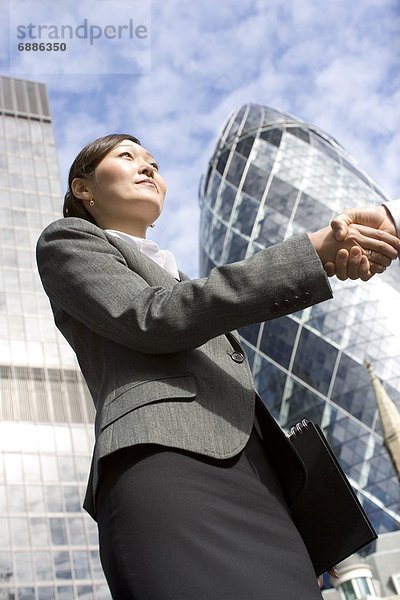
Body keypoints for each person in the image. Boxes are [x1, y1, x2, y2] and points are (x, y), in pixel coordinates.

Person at [36, 134, 400, 600]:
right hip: (170, 470)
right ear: (84, 189)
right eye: (126, 157)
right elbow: (153, 317)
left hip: (266, 495)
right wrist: (312, 255)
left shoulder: (176, 274)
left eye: (154, 162)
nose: (148, 168)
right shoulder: (67, 241)